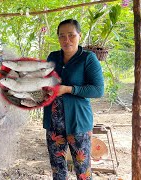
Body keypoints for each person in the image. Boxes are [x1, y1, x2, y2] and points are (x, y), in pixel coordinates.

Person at [43, 19, 104, 179]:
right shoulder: (53, 57)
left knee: (82, 171)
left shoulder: (87, 58)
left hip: (78, 124)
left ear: (79, 36)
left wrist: (69, 89)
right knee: (57, 170)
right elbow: (45, 81)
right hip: (53, 124)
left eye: (71, 35)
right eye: (62, 36)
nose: (66, 40)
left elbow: (98, 90)